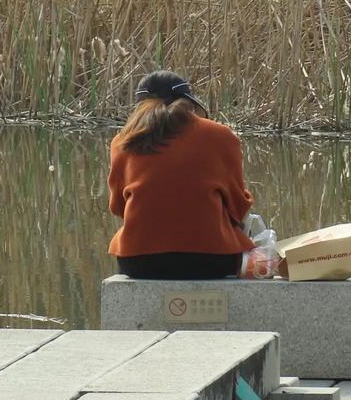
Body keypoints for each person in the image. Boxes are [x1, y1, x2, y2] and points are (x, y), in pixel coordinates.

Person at [108, 71, 255, 279]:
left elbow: (118, 208)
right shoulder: (220, 135)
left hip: (138, 262)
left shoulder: (122, 141)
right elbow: (238, 206)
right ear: (189, 104)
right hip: (213, 260)